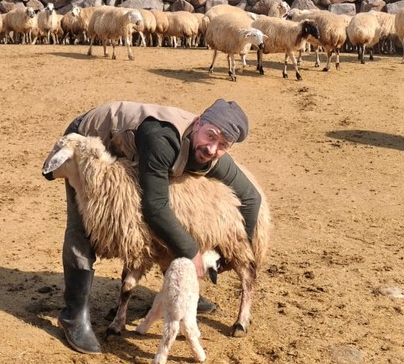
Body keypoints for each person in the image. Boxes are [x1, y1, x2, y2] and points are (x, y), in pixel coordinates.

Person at [58, 99, 262, 354]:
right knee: (84, 230)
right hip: (91, 145)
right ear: (198, 123)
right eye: (210, 136)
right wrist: (193, 252)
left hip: (135, 155)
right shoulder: (162, 140)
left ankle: (182, 292)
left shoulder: (212, 151)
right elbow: (155, 207)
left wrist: (233, 254)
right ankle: (74, 316)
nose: (212, 148)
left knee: (164, 227)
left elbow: (251, 198)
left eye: (222, 145)